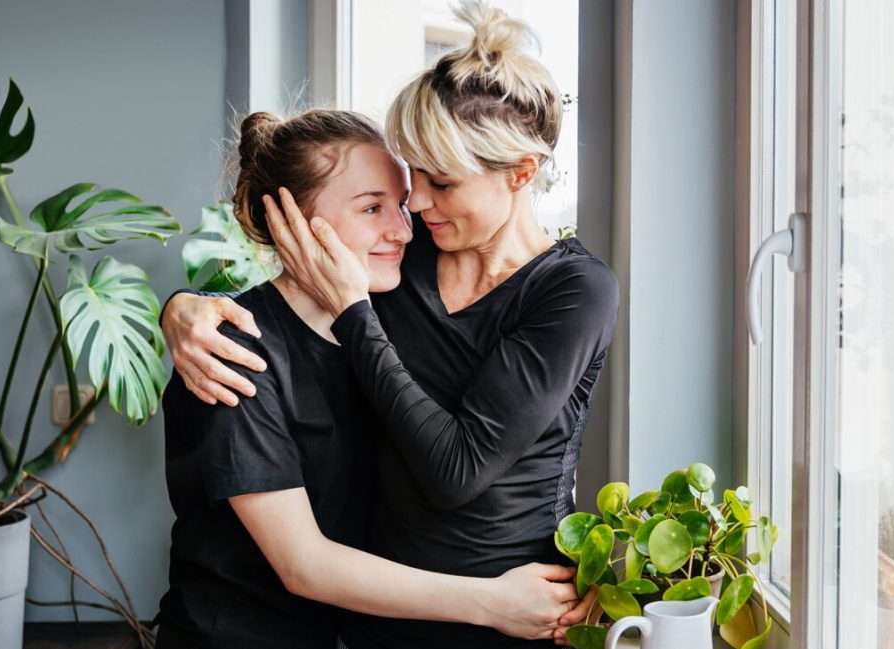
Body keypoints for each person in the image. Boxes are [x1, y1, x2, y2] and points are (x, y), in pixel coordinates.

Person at [161, 3, 620, 647]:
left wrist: (347, 308)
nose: (414, 213)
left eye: (437, 184)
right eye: (405, 189)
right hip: (342, 622)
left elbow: (458, 467)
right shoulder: (395, 264)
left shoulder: (562, 287)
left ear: (521, 174)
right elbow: (304, 561)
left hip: (509, 605)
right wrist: (183, 308)